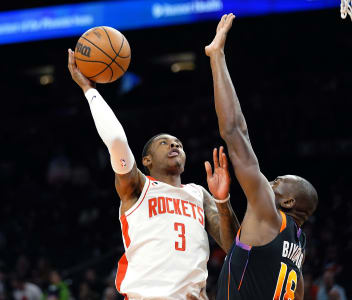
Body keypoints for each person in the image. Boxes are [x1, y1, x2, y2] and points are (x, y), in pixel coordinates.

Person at [67, 50, 239, 300]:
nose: (174, 145)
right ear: (146, 160)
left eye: (178, 143)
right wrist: (89, 90)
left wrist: (223, 202)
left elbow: (235, 248)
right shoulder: (137, 187)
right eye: (164, 143)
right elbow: (116, 139)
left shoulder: (198, 193)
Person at [205, 14, 318, 299]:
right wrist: (222, 202)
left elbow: (234, 131)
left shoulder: (270, 212)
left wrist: (217, 57)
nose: (271, 181)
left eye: (279, 181)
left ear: (288, 201)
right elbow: (239, 254)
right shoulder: (297, 249)